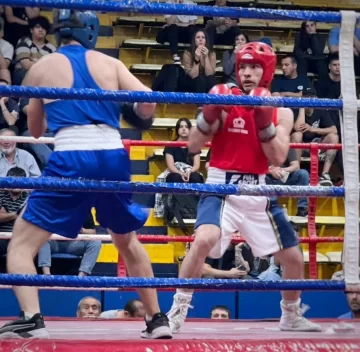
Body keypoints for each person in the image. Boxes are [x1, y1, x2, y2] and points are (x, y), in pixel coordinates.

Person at [0, 10, 172, 340]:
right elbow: (148, 103)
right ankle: (157, 320)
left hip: (70, 155)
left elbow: (35, 131)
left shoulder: (41, 67)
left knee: (20, 244)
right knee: (126, 241)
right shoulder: (110, 63)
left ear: (57, 34)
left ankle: (32, 320)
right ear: (91, 31)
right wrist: (132, 117)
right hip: (113, 155)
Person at [167, 42, 322, 333]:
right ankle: (176, 311)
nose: (247, 73)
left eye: (254, 67)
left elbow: (277, 156)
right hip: (221, 185)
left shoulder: (281, 112)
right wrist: (207, 117)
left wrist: (263, 120)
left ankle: (290, 315)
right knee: (203, 240)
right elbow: (193, 146)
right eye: (243, 67)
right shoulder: (226, 101)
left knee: (293, 257)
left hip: (257, 189)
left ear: (268, 71)